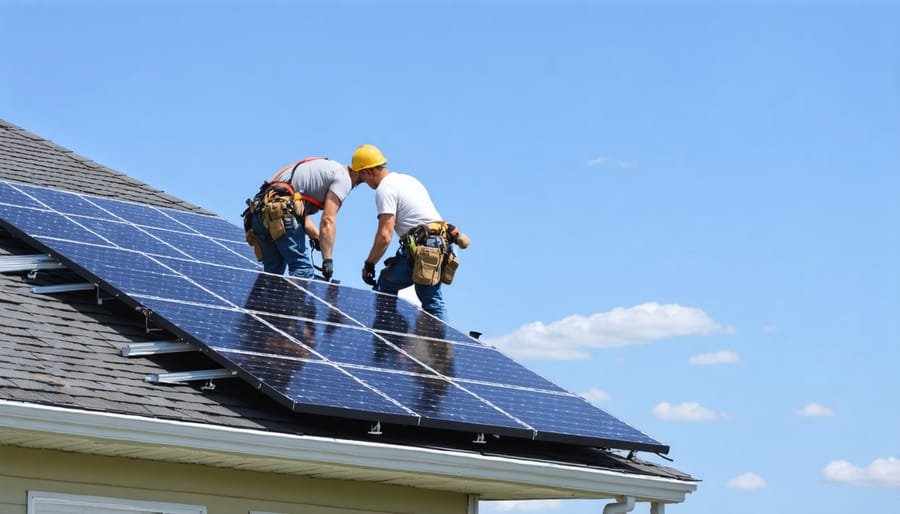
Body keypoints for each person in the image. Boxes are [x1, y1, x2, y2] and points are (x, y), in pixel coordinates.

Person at [353, 144, 466, 320]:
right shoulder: (408, 179)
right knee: (421, 295)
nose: (364, 182)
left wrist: (369, 264)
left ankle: (395, 338)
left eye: (363, 177)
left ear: (368, 172)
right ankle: (399, 336)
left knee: (422, 298)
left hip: (425, 247)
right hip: (439, 244)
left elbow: (385, 235)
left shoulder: (385, 189)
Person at [245, 157, 364, 280]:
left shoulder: (322, 167)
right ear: (365, 171)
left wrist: (317, 238)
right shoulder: (343, 178)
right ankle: (295, 299)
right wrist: (327, 259)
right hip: (281, 213)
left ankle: (264, 299)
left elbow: (300, 214)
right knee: (302, 270)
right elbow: (327, 220)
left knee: (273, 272)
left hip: (259, 213)